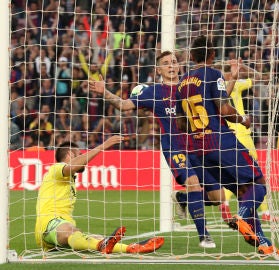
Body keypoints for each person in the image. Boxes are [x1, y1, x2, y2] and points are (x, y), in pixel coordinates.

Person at [89, 51, 225, 248]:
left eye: (174, 62)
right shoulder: (153, 92)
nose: (171, 66)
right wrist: (105, 92)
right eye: (166, 63)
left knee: (218, 197)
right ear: (158, 69)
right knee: (193, 183)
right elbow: (123, 105)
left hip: (199, 146)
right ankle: (204, 236)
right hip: (175, 147)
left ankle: (183, 198)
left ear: (179, 66)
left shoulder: (191, 85)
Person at [176, 35, 279, 256]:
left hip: (199, 150)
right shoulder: (213, 73)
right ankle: (242, 216)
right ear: (213, 55)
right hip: (221, 142)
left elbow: (180, 123)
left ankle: (262, 242)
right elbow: (224, 110)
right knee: (259, 183)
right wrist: (243, 119)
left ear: (192, 56)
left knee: (244, 192)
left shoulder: (182, 83)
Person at [35, 136, 164, 254]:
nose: (83, 157)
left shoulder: (69, 180)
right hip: (48, 224)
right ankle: (102, 244)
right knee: (72, 232)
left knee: (95, 238)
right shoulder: (56, 168)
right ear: (69, 154)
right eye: (79, 154)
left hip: (59, 230)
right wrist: (103, 146)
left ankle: (130, 247)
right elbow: (72, 166)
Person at [216, 61, 279, 223]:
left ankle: (224, 202)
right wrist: (243, 67)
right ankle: (265, 212)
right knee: (256, 173)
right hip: (242, 131)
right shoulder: (235, 84)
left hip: (225, 135)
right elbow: (261, 77)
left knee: (233, 175)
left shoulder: (212, 89)